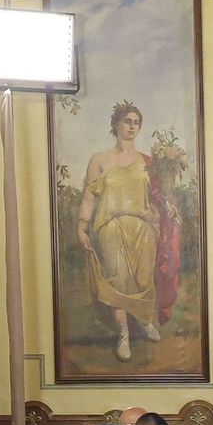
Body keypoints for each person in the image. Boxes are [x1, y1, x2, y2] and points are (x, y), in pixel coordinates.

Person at [77, 102, 172, 364]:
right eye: (127, 121)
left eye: (136, 123)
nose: (132, 127)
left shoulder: (147, 162)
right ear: (116, 124)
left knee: (143, 280)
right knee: (117, 280)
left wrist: (168, 209)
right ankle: (123, 334)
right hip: (111, 228)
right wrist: (82, 225)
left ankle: (144, 321)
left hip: (143, 228)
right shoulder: (100, 160)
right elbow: (89, 196)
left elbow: (157, 198)